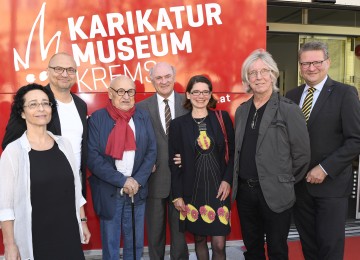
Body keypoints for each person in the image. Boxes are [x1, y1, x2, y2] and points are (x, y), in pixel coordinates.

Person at [231, 49, 310, 259]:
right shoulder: (241, 111)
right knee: (252, 247)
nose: (258, 77)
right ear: (247, 78)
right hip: (246, 194)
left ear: (273, 74)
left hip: (276, 193)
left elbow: (302, 156)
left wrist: (284, 181)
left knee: (277, 249)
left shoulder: (288, 109)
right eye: (253, 73)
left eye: (263, 71)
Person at [286, 41, 360, 260]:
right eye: (306, 63)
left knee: (329, 247)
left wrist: (325, 168)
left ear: (327, 62)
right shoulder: (291, 95)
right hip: (299, 187)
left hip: (331, 187)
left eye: (317, 62)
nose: (311, 68)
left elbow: (356, 139)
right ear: (300, 66)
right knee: (309, 245)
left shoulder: (345, 93)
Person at [0, 83, 91, 260]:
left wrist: (83, 222)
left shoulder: (64, 145)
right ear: (22, 112)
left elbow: (75, 188)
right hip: (35, 238)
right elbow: (5, 206)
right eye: (33, 104)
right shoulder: (14, 152)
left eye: (45, 103)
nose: (41, 108)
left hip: (68, 234)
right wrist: (9, 244)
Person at [87, 75, 157, 260]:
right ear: (110, 93)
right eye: (120, 91)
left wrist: (137, 181)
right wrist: (122, 180)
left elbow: (151, 150)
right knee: (110, 245)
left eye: (130, 91)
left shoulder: (142, 116)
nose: (126, 96)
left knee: (135, 243)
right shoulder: (97, 119)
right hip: (110, 191)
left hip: (137, 191)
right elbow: (93, 158)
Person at [1, 52, 88, 196]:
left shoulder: (81, 105)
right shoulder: (33, 101)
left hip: (74, 181)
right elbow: (10, 144)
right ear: (48, 71)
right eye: (59, 69)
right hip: (40, 183)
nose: (65, 74)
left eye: (70, 70)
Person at [168, 75, 235, 260]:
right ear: (188, 95)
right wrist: (177, 196)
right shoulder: (177, 125)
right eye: (196, 92)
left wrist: (227, 180)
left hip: (219, 190)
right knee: (199, 240)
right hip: (193, 191)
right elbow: (173, 163)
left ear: (210, 94)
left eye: (205, 92)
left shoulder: (222, 118)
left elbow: (233, 153)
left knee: (219, 245)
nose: (200, 96)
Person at [137, 62, 189, 260]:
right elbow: (137, 139)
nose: (164, 81)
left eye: (167, 76)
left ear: (174, 76)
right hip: (154, 179)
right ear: (152, 80)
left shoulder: (188, 102)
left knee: (180, 233)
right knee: (155, 234)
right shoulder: (142, 107)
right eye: (158, 78)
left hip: (182, 180)